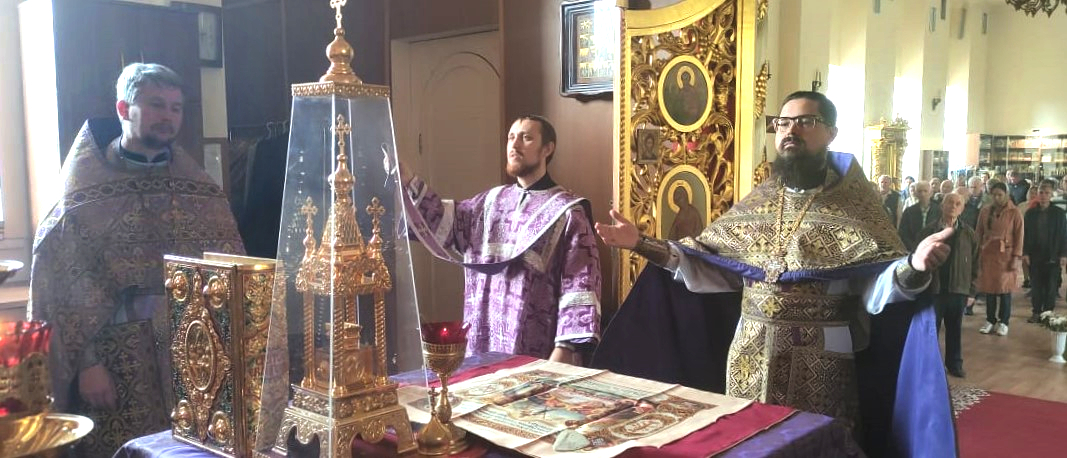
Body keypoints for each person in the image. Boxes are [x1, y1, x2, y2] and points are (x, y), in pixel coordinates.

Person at [593, 91, 956, 456]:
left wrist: (914, 266)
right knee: (749, 443)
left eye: (805, 122)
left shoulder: (857, 208)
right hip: (750, 351)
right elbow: (712, 265)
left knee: (817, 445)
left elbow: (875, 285)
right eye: (783, 123)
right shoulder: (759, 202)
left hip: (822, 354)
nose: (790, 131)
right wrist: (640, 243)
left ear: (831, 133)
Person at [28, 63, 244, 453]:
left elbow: (230, 272)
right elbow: (60, 288)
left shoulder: (199, 189)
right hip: (117, 356)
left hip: (192, 352)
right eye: (156, 104)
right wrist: (87, 364)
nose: (168, 117)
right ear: (124, 109)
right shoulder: (82, 195)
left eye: (176, 108)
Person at [395, 115, 601, 365]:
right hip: (482, 343)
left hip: (537, 351)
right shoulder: (489, 202)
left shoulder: (567, 212)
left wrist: (565, 349)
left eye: (526, 138)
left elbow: (580, 284)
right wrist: (409, 181)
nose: (515, 145)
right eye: (511, 137)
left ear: (547, 148)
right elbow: (442, 223)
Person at [919, 192, 978, 378]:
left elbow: (976, 263)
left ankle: (954, 364)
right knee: (931, 331)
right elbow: (917, 259)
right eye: (950, 202)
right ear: (942, 206)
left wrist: (972, 291)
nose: (953, 206)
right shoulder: (929, 231)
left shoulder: (969, 233)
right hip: (934, 289)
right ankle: (930, 365)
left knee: (955, 329)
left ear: (962, 209)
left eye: (957, 203)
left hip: (958, 289)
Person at [975, 182, 1023, 335]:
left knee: (1004, 290)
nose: (996, 198)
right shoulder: (985, 211)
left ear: (1006, 195)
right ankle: (990, 320)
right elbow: (978, 232)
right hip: (988, 253)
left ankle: (1004, 322)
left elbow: (1019, 236)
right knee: (989, 289)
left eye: (1000, 195)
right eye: (994, 195)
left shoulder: (1015, 212)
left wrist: (1016, 257)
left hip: (1006, 255)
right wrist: (976, 252)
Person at [1023, 180, 1067, 323]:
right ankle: (1036, 311)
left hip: (1053, 254)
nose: (1043, 195)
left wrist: (1064, 254)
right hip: (1035, 254)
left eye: (1046, 193)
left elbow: (1063, 235)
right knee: (1036, 286)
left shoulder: (1059, 214)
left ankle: (1048, 313)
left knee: (1051, 287)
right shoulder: (1030, 214)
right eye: (1041, 192)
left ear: (1051, 194)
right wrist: (1025, 253)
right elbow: (1025, 235)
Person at [897, 181, 940, 252]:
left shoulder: (939, 211)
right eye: (920, 191)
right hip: (913, 249)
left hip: (934, 249)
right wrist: (914, 247)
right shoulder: (909, 211)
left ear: (930, 193)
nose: (922, 194)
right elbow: (903, 233)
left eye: (925, 191)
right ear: (916, 193)